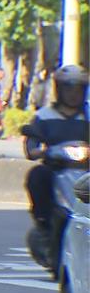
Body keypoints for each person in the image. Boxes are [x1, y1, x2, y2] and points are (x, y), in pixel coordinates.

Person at [23, 64, 89, 239]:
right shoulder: (44, 116)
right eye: (68, 89)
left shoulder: (88, 115)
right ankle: (44, 220)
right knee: (38, 175)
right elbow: (32, 145)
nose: (73, 94)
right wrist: (39, 152)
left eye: (77, 89)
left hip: (86, 171)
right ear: (59, 89)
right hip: (57, 168)